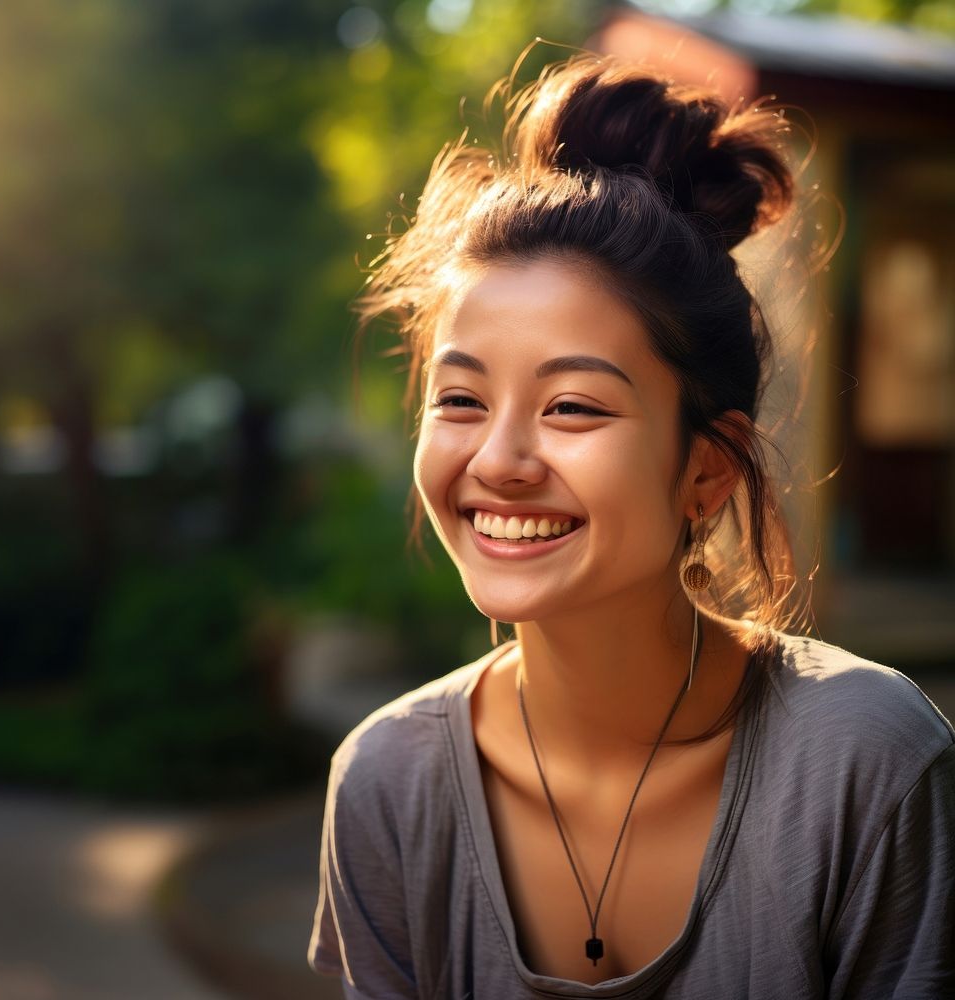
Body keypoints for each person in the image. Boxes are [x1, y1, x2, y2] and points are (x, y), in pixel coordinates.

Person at [308, 51, 954, 999]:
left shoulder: (865, 763)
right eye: (460, 400)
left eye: (572, 407)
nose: (498, 461)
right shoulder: (388, 785)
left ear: (706, 468)